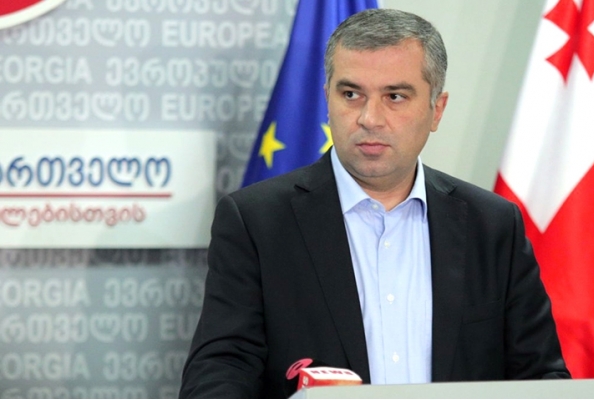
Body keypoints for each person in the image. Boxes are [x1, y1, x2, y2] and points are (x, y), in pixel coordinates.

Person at [180, 8, 569, 398]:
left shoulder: (493, 225)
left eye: (394, 97)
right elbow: (219, 373)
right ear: (327, 99)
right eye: (351, 94)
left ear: (436, 109)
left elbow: (541, 378)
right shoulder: (256, 221)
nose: (370, 118)